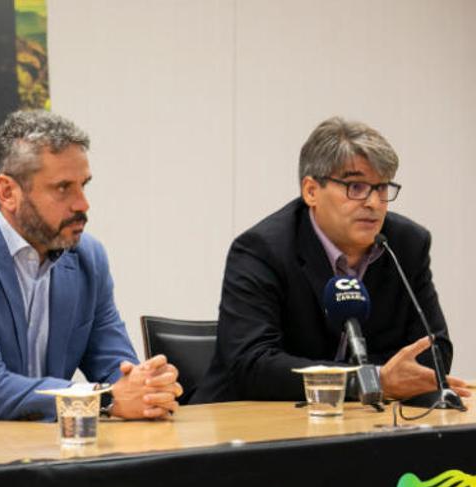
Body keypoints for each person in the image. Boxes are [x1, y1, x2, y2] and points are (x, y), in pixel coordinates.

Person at [0, 110, 183, 425]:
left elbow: (116, 368)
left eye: (84, 185)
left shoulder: (87, 257)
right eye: (62, 188)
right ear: (7, 192)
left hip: (35, 454)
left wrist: (148, 387)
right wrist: (103, 399)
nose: (83, 204)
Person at [192, 116, 471, 404]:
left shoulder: (406, 244)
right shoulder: (262, 250)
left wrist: (387, 380)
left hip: (360, 424)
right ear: (311, 191)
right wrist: (371, 381)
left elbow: (433, 350)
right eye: (356, 187)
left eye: (382, 188)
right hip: (247, 427)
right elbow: (252, 366)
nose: (374, 203)